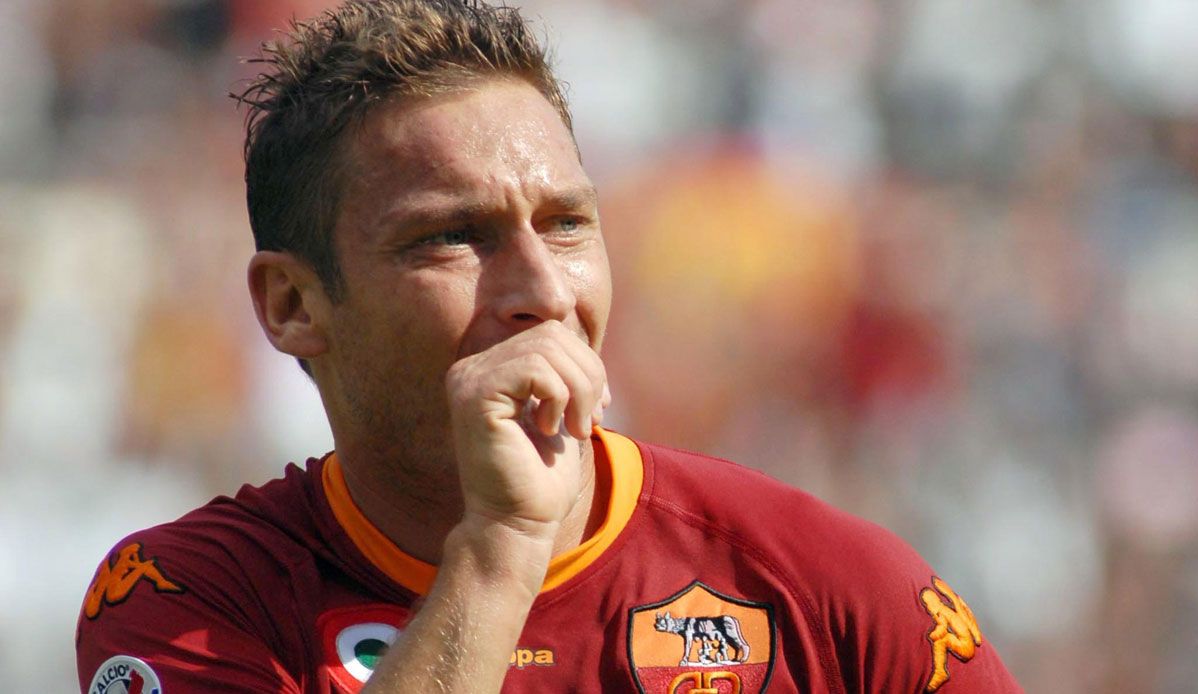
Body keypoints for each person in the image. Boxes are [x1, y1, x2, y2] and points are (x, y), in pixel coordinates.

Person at [76, 1, 1022, 692]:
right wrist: (499, 552)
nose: (544, 292)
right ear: (292, 305)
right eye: (453, 237)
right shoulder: (187, 602)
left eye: (567, 224)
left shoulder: (828, 588)